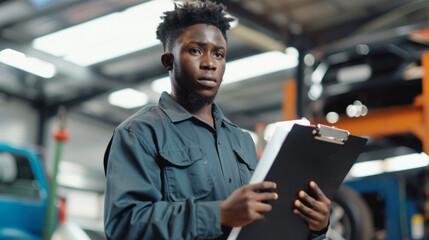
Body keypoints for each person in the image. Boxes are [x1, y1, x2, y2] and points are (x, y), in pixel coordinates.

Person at [103, 1, 331, 239]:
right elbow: (123, 226)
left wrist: (315, 227)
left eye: (219, 54)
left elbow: (264, 227)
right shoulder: (139, 134)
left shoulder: (242, 141)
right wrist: (218, 215)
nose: (209, 63)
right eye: (195, 51)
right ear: (168, 61)